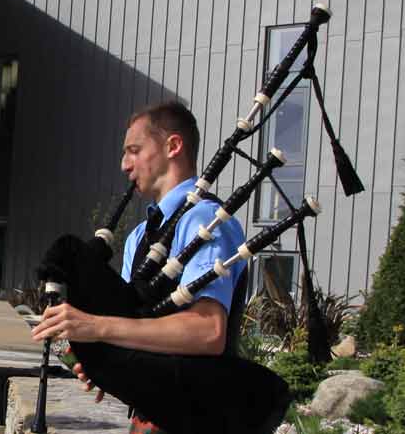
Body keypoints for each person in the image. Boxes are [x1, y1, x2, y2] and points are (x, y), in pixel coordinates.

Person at [29, 100, 250, 433]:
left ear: (173, 146)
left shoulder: (204, 220)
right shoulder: (138, 236)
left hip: (199, 415)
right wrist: (102, 361)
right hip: (147, 416)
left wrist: (96, 326)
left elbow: (209, 332)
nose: (124, 165)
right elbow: (131, 321)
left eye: (134, 150)